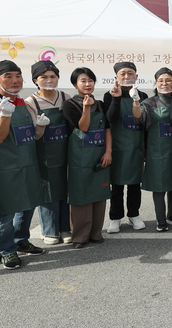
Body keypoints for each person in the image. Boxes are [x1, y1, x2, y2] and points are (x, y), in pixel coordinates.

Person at [0, 60, 45, 269]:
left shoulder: (21, 103)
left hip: (28, 163)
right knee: (7, 211)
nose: (15, 81)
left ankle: (21, 239)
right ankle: (7, 250)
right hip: (5, 167)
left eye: (18, 76)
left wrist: (40, 128)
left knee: (28, 204)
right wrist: (4, 114)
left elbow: (29, 136)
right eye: (8, 76)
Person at [62, 68, 112, 248]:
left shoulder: (100, 104)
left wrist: (108, 152)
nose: (87, 84)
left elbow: (107, 129)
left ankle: (96, 233)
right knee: (80, 195)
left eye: (91, 80)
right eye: (83, 81)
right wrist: (86, 107)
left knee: (99, 194)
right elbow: (83, 127)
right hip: (79, 158)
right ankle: (80, 236)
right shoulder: (69, 105)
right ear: (75, 84)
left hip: (99, 154)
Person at [25, 60, 72, 246]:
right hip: (44, 154)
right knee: (48, 192)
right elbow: (33, 135)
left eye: (53, 76)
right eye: (43, 77)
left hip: (65, 151)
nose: (49, 80)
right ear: (36, 80)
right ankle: (49, 230)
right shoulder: (31, 102)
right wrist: (40, 127)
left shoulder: (65, 96)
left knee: (65, 189)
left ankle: (65, 228)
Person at [135, 68, 172, 232]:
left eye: (168, 80)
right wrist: (135, 103)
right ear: (156, 83)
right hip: (157, 152)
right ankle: (160, 219)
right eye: (161, 80)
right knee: (159, 186)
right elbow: (139, 119)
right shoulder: (149, 103)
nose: (165, 83)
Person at [103, 62, 149, 233]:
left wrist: (145, 148)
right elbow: (110, 119)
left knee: (135, 184)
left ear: (136, 76)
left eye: (131, 73)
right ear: (116, 77)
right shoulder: (110, 95)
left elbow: (145, 123)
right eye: (122, 73)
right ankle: (115, 217)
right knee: (117, 185)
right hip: (117, 147)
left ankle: (134, 214)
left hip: (136, 146)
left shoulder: (142, 95)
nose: (127, 76)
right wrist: (115, 99)